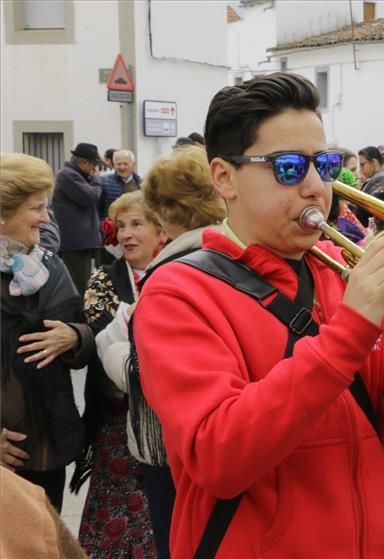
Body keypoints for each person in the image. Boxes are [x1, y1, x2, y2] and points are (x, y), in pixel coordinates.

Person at [133, 72, 384, 557]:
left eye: (323, 165)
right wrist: (349, 332)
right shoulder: (178, 292)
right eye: (289, 167)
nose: (315, 187)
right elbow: (217, 457)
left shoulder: (338, 273)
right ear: (225, 177)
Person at [97, 145, 226, 559]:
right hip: (216, 442)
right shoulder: (227, 252)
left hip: (172, 448)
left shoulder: (172, 272)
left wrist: (109, 345)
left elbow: (149, 372)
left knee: (181, 543)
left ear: (164, 212)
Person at [1, 153, 94, 512]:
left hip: (47, 445)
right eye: (37, 207)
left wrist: (74, 337)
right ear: (3, 210)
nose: (46, 217)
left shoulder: (49, 267)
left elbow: (84, 338)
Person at [77, 191, 164, 557]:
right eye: (122, 225)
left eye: (137, 224)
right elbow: (100, 337)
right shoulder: (104, 280)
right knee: (115, 515)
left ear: (162, 232)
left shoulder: (181, 271)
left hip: (166, 417)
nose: (127, 234)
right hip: (116, 417)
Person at [52, 142, 103, 294]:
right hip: (75, 243)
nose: (95, 169)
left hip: (79, 242)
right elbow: (90, 198)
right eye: (94, 164)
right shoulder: (68, 175)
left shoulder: (76, 175)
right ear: (83, 162)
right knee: (79, 284)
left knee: (83, 281)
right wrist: (96, 180)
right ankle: (78, 316)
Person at [99, 149, 142, 220]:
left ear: (133, 164)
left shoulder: (142, 184)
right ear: (114, 165)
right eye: (119, 164)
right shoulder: (103, 182)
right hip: (110, 228)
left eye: (125, 164)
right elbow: (98, 209)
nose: (122, 167)